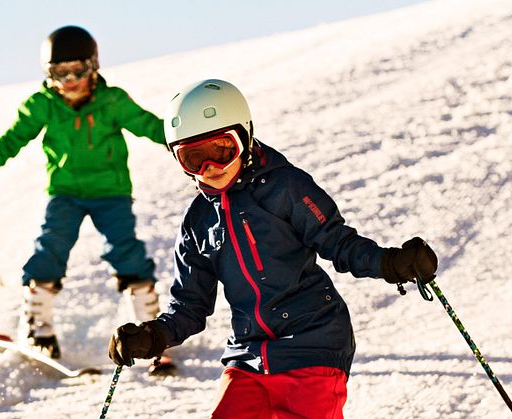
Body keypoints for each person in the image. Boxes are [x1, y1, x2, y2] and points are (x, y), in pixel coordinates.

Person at [107, 79, 438, 417]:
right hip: (249, 356)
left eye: (222, 151)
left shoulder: (284, 188)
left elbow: (337, 241)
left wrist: (391, 262)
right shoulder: (198, 222)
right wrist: (153, 335)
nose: (210, 169)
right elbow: (190, 305)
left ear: (245, 138)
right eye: (194, 159)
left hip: (314, 343)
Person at [0, 26, 168, 363]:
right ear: (48, 73)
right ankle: (38, 329)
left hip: (111, 192)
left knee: (126, 252)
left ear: (93, 67)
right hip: (65, 193)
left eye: (78, 70)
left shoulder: (112, 101)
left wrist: (189, 146)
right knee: (50, 248)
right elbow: (12, 140)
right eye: (60, 72)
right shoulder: (43, 105)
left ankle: (151, 335)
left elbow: (150, 126)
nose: (70, 80)